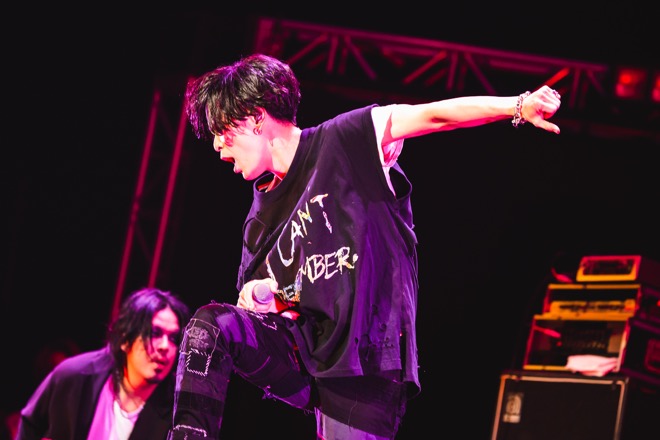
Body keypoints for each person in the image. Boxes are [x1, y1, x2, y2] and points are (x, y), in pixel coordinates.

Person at [167, 53, 562, 440]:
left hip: (366, 361)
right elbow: (285, 306)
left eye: (222, 130)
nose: (217, 145)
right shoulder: (260, 217)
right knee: (209, 327)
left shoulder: (346, 140)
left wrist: (518, 105)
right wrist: (266, 298)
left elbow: (435, 115)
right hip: (305, 355)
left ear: (256, 117)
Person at [16, 287, 190, 440]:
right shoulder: (75, 376)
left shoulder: (178, 409)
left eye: (173, 338)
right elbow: (31, 425)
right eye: (155, 333)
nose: (165, 346)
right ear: (125, 339)